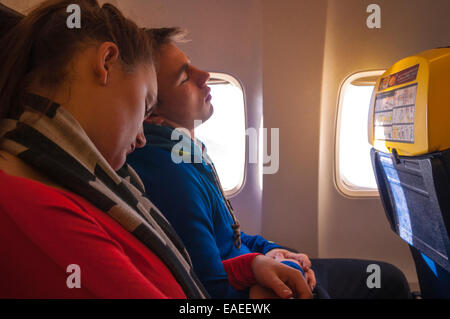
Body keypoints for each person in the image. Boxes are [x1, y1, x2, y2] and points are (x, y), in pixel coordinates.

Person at [0, 0, 312, 299]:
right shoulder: (41, 210)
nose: (142, 137)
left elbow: (183, 278)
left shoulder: (82, 180)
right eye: (145, 104)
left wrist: (252, 265)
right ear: (106, 62)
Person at [127, 27, 412, 299]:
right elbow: (206, 287)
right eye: (184, 77)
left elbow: (230, 237)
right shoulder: (168, 173)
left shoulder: (187, 152)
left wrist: (273, 251)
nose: (205, 76)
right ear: (151, 113)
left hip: (253, 267)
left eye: (192, 66)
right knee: (389, 283)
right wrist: (275, 275)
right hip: (248, 285)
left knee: (389, 278)